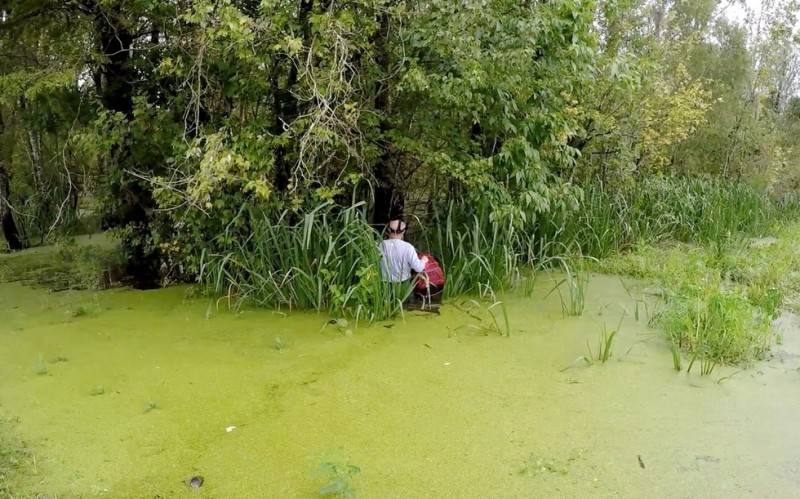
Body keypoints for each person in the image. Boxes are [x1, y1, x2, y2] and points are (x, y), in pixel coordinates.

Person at [378, 218, 428, 284]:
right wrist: (423, 260)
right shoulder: (408, 247)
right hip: (403, 284)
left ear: (389, 230)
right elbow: (418, 268)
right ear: (403, 231)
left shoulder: (380, 245)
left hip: (384, 285)